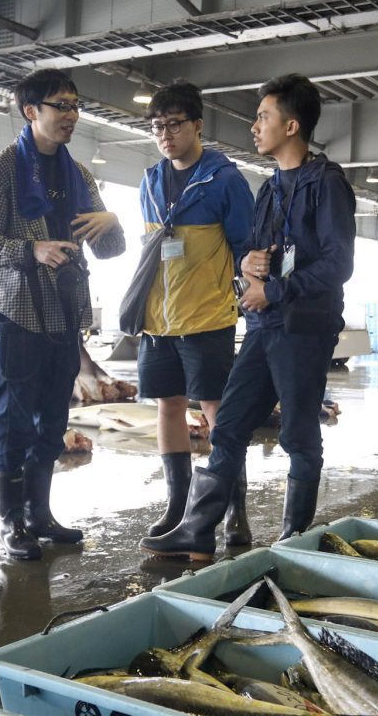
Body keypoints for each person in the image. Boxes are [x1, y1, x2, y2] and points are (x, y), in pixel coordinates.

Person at [140, 73, 356, 561]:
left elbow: (338, 264)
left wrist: (274, 288)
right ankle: (197, 528)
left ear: (293, 125)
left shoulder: (328, 185)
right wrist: (249, 266)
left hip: (304, 328)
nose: (254, 126)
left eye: (263, 117)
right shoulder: (269, 189)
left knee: (300, 434)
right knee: (230, 424)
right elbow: (255, 252)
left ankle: (292, 540)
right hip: (264, 325)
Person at [0, 69, 125, 562]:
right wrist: (31, 249)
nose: (71, 116)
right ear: (31, 111)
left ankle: (40, 514)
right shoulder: (1, 171)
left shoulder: (79, 176)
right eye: (61, 106)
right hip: (19, 315)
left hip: (65, 315)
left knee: (53, 420)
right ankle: (11, 521)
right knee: (12, 422)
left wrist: (112, 223)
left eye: (75, 106)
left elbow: (110, 250)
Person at [135, 81, 254, 546]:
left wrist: (251, 295)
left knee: (217, 412)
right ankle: (179, 507)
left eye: (174, 124)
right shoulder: (150, 180)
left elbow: (246, 247)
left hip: (207, 317)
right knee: (167, 407)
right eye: (157, 127)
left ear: (197, 125)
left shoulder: (224, 179)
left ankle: (234, 510)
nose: (165, 134)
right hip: (157, 320)